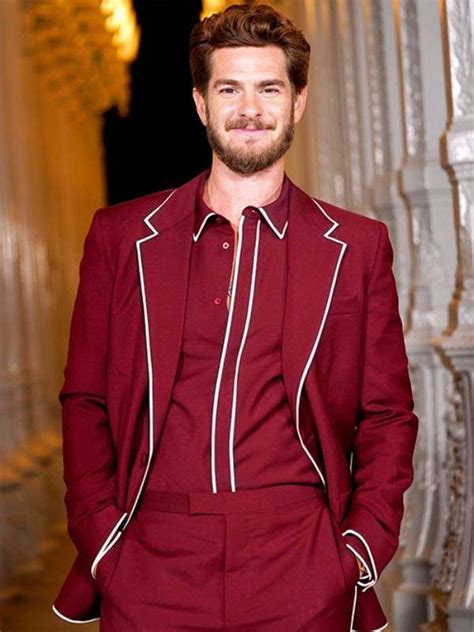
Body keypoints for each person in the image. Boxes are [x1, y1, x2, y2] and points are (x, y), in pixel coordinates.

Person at [52, 4, 418, 631]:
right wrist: (102, 543)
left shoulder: (355, 246)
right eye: (229, 88)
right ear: (201, 103)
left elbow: (386, 414)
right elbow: (85, 397)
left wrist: (356, 550)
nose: (249, 108)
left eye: (268, 87)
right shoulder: (121, 238)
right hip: (149, 557)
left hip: (300, 559)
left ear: (297, 101)